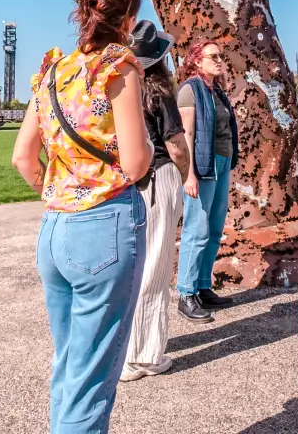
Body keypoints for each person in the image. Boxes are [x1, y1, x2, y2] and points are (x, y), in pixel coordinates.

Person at [12, 0, 153, 434]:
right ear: (129, 19)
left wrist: (60, 191)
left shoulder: (53, 68)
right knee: (92, 377)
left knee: (70, 363)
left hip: (55, 227)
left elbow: (22, 156)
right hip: (104, 223)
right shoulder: (118, 64)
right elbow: (134, 163)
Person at [121, 20, 190, 381]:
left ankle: (128, 343)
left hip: (125, 179)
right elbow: (176, 145)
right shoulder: (158, 92)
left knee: (132, 264)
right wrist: (184, 173)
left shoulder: (116, 88)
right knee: (157, 264)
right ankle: (144, 354)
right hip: (157, 173)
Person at [175, 40, 239, 322]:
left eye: (220, 56)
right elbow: (186, 135)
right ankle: (186, 293)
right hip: (202, 166)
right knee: (196, 230)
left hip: (222, 164)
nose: (219, 60)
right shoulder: (191, 89)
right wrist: (189, 175)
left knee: (213, 229)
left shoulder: (217, 91)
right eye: (212, 56)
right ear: (197, 61)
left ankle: (202, 286)